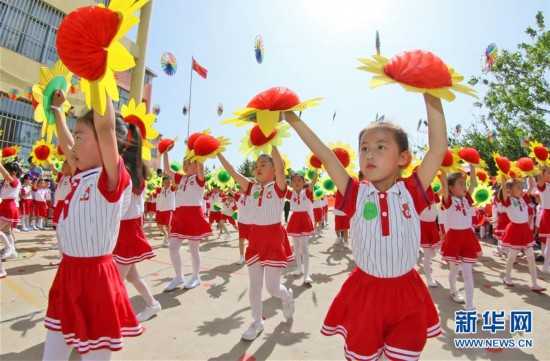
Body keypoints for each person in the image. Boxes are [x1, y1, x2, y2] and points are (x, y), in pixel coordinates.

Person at [286, 93, 445, 360]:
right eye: (364, 148)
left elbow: (438, 148)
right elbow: (325, 155)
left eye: (381, 147)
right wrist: (291, 118)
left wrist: (431, 93)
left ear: (403, 158)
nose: (369, 153)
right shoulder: (355, 193)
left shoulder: (412, 191)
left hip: (407, 293)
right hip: (365, 293)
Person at [42, 90, 142, 359]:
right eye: (75, 137)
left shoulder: (109, 180)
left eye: (80, 137)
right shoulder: (80, 173)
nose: (73, 144)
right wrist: (56, 110)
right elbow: (65, 143)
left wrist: (98, 79)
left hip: (97, 281)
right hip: (67, 275)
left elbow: (106, 126)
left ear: (106, 144)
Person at [217, 147, 295, 341]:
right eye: (256, 165)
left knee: (273, 288)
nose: (258, 167)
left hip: (273, 238)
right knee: (254, 287)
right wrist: (217, 152)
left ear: (275, 170)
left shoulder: (279, 187)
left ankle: (286, 297)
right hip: (255, 239)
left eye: (263, 164)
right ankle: (257, 322)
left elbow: (279, 164)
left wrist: (273, 141)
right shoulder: (252, 188)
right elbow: (233, 172)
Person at [112, 117, 161, 321]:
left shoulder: (128, 171)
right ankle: (152, 304)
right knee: (132, 277)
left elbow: (125, 208)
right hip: (124, 229)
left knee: (116, 283)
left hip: (127, 231)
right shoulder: (131, 169)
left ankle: (112, 322)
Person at [162, 151, 213, 291]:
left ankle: (196, 277)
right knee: (172, 247)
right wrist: (165, 151)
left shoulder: (199, 178)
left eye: (190, 163)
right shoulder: (182, 178)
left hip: (194, 215)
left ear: (197, 165)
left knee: (193, 249)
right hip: (180, 216)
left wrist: (199, 151)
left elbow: (201, 168)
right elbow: (167, 169)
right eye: (184, 163)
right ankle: (179, 277)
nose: (186, 165)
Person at [439, 166, 482, 313]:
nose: (465, 186)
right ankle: (453, 290)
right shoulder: (448, 200)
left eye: (464, 183)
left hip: (468, 237)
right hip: (454, 238)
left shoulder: (466, 199)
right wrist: (442, 169)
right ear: (451, 187)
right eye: (461, 184)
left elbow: (474, 183)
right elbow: (444, 184)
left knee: (467, 273)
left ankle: (470, 306)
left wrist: (472, 165)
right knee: (454, 269)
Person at [501, 176, 546, 292]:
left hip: (525, 230)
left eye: (521, 187)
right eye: (518, 188)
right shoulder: (508, 200)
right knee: (512, 256)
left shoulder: (523, 199)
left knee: (531, 257)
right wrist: (503, 176)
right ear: (509, 190)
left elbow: (531, 186)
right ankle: (507, 277)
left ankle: (535, 283)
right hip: (515, 230)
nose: (521, 190)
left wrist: (530, 173)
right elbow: (503, 189)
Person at [286, 170, 318, 284]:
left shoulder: (307, 192)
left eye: (299, 180)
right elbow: (279, 185)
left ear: (304, 182)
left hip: (305, 220)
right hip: (295, 220)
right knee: (296, 247)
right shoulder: (290, 194)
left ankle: (307, 273)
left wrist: (315, 173)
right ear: (291, 183)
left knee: (304, 247)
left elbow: (313, 182)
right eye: (294, 181)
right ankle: (298, 267)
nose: (296, 182)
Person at [0, 161, 22, 259]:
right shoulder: (6, 180)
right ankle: (12, 251)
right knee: (7, 230)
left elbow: (6, 174)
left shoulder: (15, 180)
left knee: (5, 230)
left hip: (9, 206)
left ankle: (8, 247)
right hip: (5, 204)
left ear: (12, 173)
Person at [536, 166, 550, 272]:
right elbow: (539, 175)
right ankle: (546, 265)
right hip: (547, 214)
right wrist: (540, 160)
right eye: (548, 173)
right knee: (548, 241)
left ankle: (546, 264)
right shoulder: (543, 186)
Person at [234, 186, 252, 265]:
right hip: (241, 222)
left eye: (242, 186)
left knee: (252, 241)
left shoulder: (252, 197)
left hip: (251, 223)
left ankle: (253, 255)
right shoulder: (239, 197)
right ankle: (242, 257)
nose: (240, 188)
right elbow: (231, 192)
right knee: (241, 239)